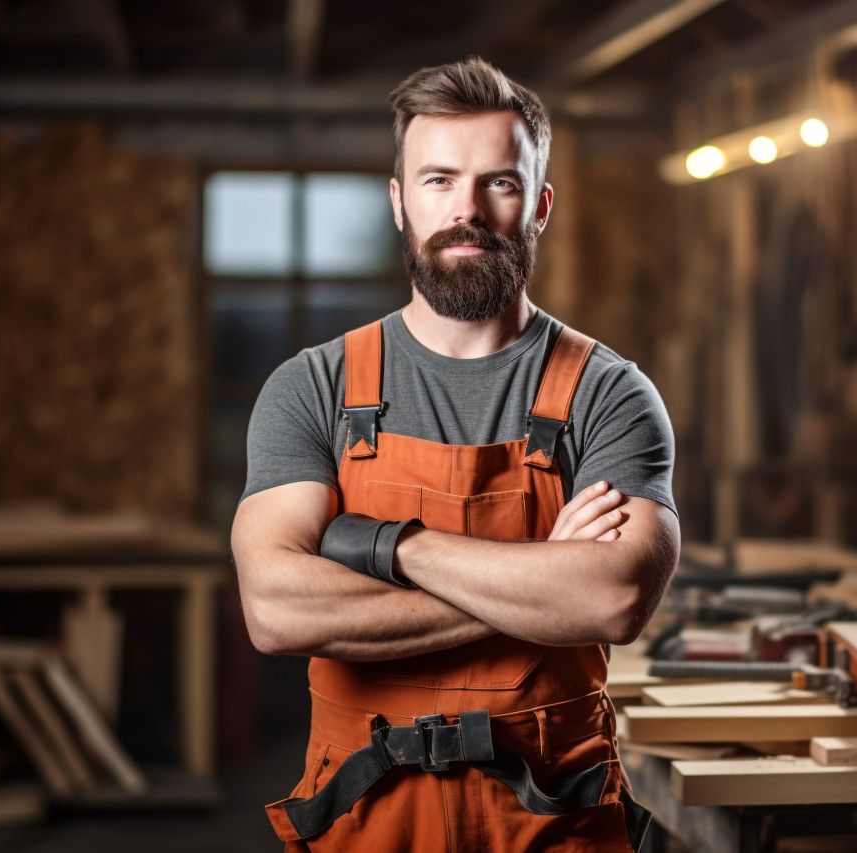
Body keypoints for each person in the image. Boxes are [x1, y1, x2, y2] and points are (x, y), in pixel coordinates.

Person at [231, 57, 679, 852]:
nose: (465, 210)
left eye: (497, 183)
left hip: (554, 823)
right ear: (400, 202)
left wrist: (386, 546)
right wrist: (540, 579)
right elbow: (274, 607)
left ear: (538, 205)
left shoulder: (609, 393)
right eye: (438, 180)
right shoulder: (314, 389)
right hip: (364, 822)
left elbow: (612, 599)